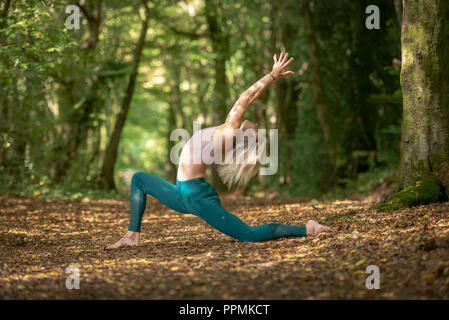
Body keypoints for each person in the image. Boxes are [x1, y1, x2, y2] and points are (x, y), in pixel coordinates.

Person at [107, 52, 331, 249]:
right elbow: (245, 100)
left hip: (194, 196)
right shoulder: (228, 130)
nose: (256, 127)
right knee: (138, 179)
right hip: (182, 193)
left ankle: (307, 229)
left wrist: (272, 75)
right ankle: (131, 236)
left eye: (257, 133)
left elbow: (245, 98)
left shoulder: (231, 132)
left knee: (248, 235)